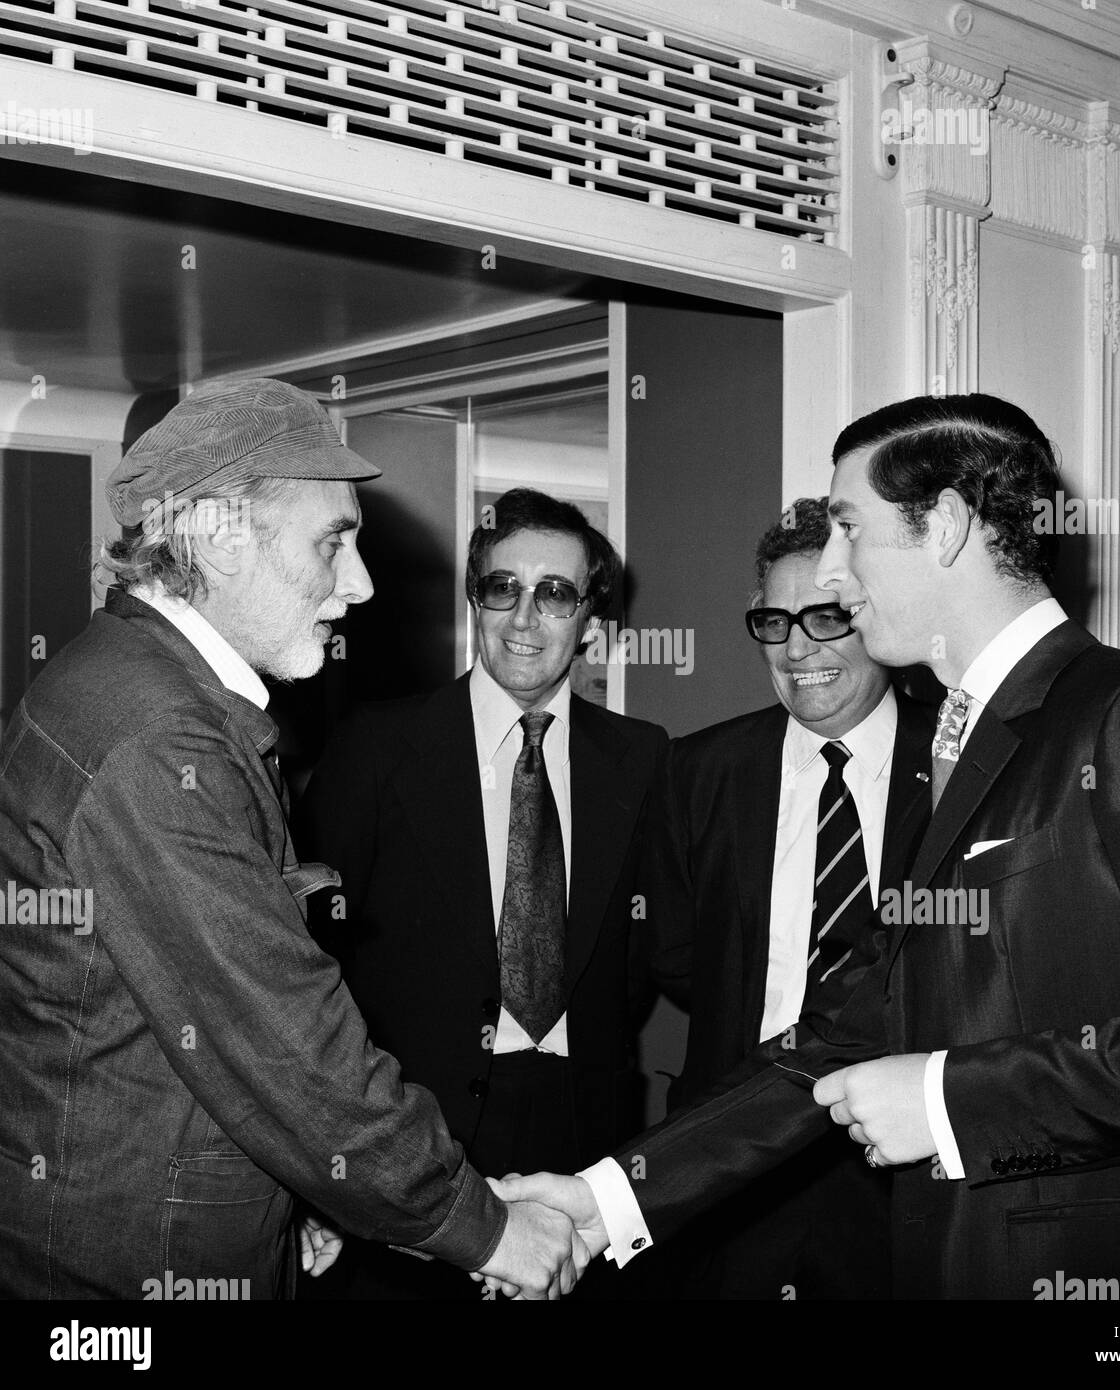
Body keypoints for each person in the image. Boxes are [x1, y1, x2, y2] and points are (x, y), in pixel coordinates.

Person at [493, 393, 1120, 1300]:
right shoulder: (958, 741)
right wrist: (604, 1202)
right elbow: (840, 1031)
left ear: (944, 526)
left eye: (849, 529)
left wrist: (949, 1099)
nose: (831, 571)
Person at [0, 379, 582, 1300]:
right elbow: (281, 1038)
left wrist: (293, 1192)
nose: (361, 582)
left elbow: (195, 1032)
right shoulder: (160, 740)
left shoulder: (141, 691)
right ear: (222, 536)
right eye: (332, 542)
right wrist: (483, 1228)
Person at [296, 487, 667, 1298]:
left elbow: (645, 952)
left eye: (556, 593)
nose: (524, 618)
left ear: (591, 620)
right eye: (502, 588)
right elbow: (310, 960)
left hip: (584, 1129)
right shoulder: (377, 747)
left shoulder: (642, 760)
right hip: (410, 1127)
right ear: (475, 600)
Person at [647, 498, 934, 1298]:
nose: (798, 648)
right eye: (776, 622)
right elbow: (674, 954)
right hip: (733, 1154)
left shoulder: (959, 763)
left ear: (873, 616)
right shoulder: (700, 770)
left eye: (826, 617)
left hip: (898, 1155)